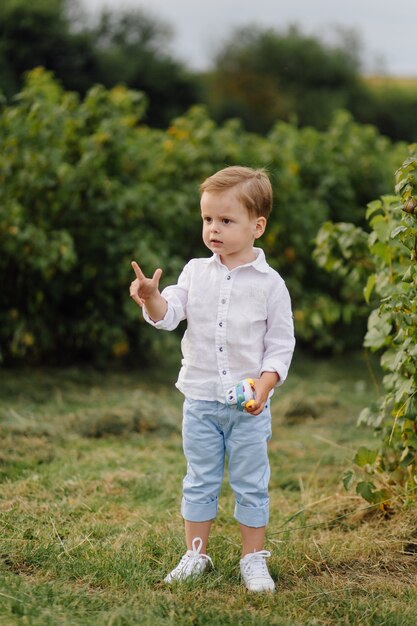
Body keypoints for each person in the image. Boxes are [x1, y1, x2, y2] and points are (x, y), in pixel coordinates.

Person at [129, 165, 295, 592]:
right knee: (199, 478)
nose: (213, 229)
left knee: (250, 482)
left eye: (225, 220)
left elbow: (280, 345)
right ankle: (195, 554)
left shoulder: (271, 285)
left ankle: (253, 559)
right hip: (201, 400)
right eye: (207, 219)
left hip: (248, 406)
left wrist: (266, 383)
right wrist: (152, 298)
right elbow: (170, 317)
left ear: (256, 226)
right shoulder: (194, 272)